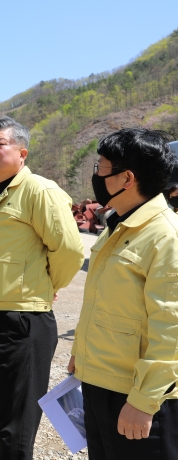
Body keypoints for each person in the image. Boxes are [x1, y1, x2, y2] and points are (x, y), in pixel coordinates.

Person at [0, 117, 84, 459]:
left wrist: (47, 285)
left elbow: (70, 250)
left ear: (22, 152)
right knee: (2, 416)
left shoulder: (39, 190)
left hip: (21, 321)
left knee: (17, 427)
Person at [68, 128, 178, 460]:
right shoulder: (121, 225)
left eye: (101, 168)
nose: (97, 176)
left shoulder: (165, 236)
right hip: (101, 383)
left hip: (136, 396)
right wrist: (81, 351)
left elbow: (171, 329)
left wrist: (144, 402)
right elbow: (103, 301)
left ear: (127, 177)